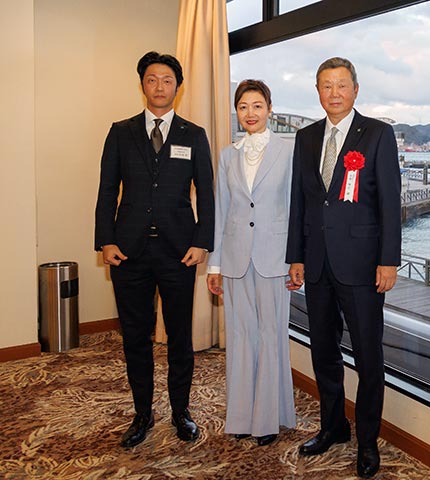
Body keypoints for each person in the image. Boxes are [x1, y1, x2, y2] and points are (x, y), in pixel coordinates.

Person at [286, 57, 401, 478]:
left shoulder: (377, 134)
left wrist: (389, 260)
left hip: (363, 266)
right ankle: (333, 426)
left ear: (355, 89)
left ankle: (368, 442)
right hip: (316, 264)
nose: (333, 93)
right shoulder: (306, 137)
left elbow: (390, 202)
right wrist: (295, 255)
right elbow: (302, 200)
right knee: (324, 352)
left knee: (369, 357)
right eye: (325, 86)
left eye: (341, 85)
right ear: (317, 91)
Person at [94, 51, 214, 448]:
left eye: (167, 80)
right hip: (127, 252)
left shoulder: (193, 135)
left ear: (177, 87)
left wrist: (202, 242)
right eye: (151, 79)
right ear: (142, 84)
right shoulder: (121, 131)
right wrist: (105, 239)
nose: (159, 86)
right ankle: (142, 413)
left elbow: (208, 195)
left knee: (180, 336)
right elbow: (108, 190)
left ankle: (181, 412)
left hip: (180, 251)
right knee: (135, 337)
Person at [206, 79, 296, 446]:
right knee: (241, 337)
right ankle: (241, 417)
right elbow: (221, 212)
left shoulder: (288, 152)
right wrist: (214, 265)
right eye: (243, 106)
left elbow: (294, 210)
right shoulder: (228, 155)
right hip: (235, 258)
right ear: (237, 112)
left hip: (274, 259)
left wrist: (296, 260)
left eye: (257, 105)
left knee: (271, 335)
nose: (250, 113)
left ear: (270, 109)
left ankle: (269, 419)